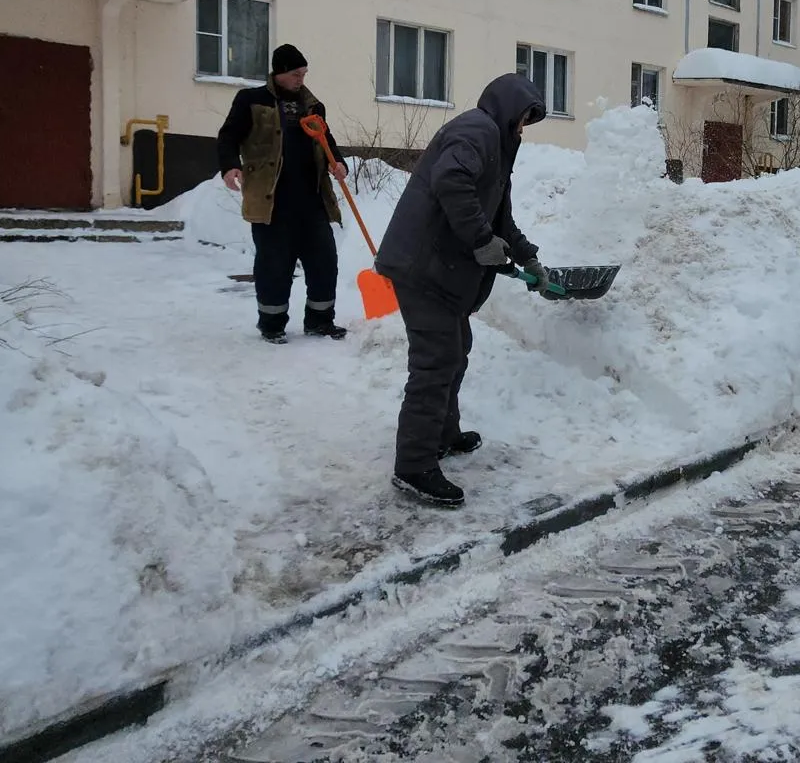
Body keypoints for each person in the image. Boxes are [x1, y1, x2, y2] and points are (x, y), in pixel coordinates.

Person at [374, 73, 551, 508]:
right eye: (522, 119)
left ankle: (442, 435)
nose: (522, 129)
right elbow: (450, 180)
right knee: (436, 361)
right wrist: (479, 241)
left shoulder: (496, 147)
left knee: (456, 349)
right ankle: (413, 466)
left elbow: (500, 217)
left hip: (443, 271)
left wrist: (527, 256)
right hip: (422, 267)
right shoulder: (477, 130)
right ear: (507, 108)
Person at [215, 44, 349, 344]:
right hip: (272, 202)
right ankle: (272, 325)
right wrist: (229, 166)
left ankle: (320, 321)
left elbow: (327, 140)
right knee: (274, 265)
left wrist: (337, 163)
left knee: (324, 261)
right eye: (295, 74)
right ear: (279, 73)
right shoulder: (251, 100)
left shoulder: (313, 106)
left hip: (312, 201)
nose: (301, 79)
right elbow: (228, 136)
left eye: (304, 73)